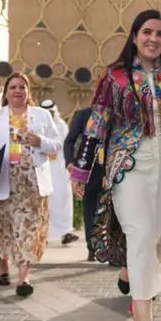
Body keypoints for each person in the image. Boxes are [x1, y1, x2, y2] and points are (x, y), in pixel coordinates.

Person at [70, 9, 161, 321]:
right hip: (128, 167)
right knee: (140, 239)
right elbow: (96, 126)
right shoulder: (115, 77)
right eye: (147, 32)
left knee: (158, 241)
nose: (153, 39)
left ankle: (136, 294)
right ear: (134, 36)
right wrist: (82, 170)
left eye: (160, 33)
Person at [0, 72, 62, 297]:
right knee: (4, 227)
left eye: (22, 87)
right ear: (5, 92)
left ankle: (23, 277)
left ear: (28, 91)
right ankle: (3, 264)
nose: (17, 91)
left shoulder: (42, 115)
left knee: (27, 229)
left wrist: (40, 141)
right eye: (13, 87)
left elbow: (57, 143)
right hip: (2, 179)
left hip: (31, 183)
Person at [65, 106, 102, 262]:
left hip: (114, 167)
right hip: (90, 168)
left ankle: (113, 248)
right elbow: (69, 140)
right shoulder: (85, 114)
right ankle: (92, 247)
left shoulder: (120, 112)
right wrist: (70, 163)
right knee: (90, 208)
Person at [42, 99, 78, 245]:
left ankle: (65, 232)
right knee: (46, 202)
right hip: (44, 169)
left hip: (60, 170)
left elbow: (62, 146)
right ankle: (44, 234)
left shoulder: (61, 126)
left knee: (63, 200)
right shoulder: (40, 125)